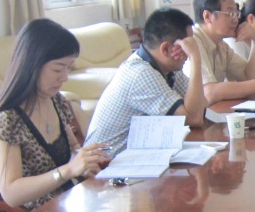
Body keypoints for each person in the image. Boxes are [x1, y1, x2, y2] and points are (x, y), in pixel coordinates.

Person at [0, 19, 107, 212]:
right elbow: (11, 193)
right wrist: (68, 170)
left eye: (68, 68)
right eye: (57, 69)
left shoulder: (55, 101)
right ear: (32, 65)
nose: (64, 77)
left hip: (66, 206)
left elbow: (73, 148)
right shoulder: (7, 119)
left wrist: (85, 162)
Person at [85, 8, 207, 158]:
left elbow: (201, 105)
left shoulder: (167, 68)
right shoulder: (141, 73)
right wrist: (196, 58)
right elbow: (193, 119)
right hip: (105, 165)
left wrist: (194, 57)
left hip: (136, 159)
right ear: (166, 49)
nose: (188, 54)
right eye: (187, 47)